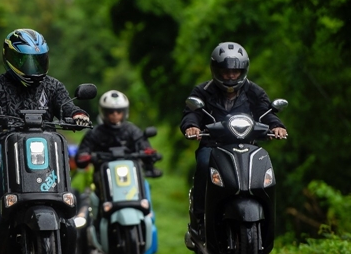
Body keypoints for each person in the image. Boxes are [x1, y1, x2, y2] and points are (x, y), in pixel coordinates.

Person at [0, 28, 91, 229]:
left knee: (64, 159)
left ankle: (65, 216)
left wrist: (78, 115)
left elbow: (66, 106)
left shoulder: (52, 86)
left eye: (38, 60)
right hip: (5, 145)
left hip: (44, 146)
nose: (33, 67)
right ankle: (0, 225)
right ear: (11, 59)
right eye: (27, 61)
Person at [180, 42, 287, 236]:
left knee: (265, 166)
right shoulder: (202, 91)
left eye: (235, 71)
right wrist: (192, 126)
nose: (231, 75)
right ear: (216, 70)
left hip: (247, 146)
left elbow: (266, 112)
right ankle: (200, 217)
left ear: (243, 70)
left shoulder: (254, 91)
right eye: (226, 71)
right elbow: (192, 113)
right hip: (213, 146)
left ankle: (268, 219)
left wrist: (276, 126)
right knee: (204, 164)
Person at [75, 90, 161, 202]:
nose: (115, 114)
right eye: (111, 111)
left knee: (145, 185)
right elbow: (82, 152)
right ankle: (97, 209)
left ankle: (146, 209)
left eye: (119, 111)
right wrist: (85, 156)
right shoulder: (95, 133)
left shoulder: (132, 130)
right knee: (92, 198)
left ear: (124, 112)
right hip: (103, 176)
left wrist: (149, 154)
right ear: (104, 112)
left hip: (131, 174)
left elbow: (144, 146)